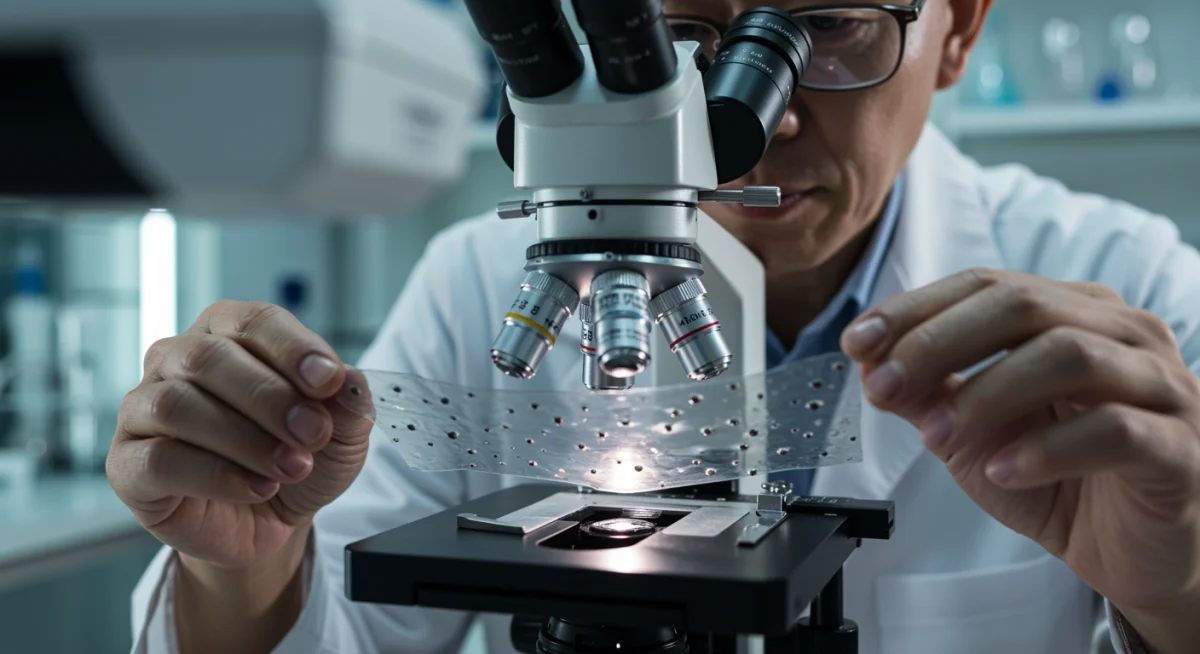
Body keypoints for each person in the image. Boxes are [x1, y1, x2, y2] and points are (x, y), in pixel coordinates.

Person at [107, 0, 1200, 652]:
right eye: (677, 35)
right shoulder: (478, 277)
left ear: (957, 29)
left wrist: (1178, 589)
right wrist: (241, 569)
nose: (746, 126)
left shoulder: (1124, 281)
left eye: (819, 28)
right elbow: (341, 628)